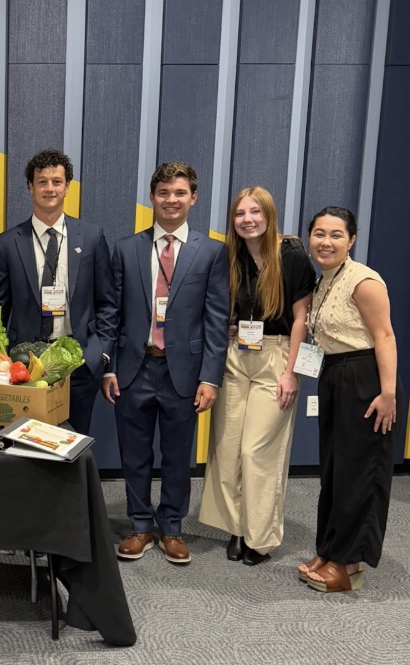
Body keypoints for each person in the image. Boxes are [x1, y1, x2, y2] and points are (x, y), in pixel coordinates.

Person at [103, 162, 229, 564]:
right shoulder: (126, 248)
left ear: (193, 197)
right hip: (132, 368)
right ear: (152, 197)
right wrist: (107, 366)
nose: (171, 200)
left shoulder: (212, 252)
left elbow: (215, 320)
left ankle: (171, 526)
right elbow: (111, 312)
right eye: (163, 193)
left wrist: (211, 377)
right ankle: (140, 525)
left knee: (178, 455)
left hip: (185, 374)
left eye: (179, 193)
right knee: (134, 452)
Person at [198, 188, 315, 565]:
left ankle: (260, 536)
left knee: (258, 451)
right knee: (228, 448)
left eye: (255, 212)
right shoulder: (230, 256)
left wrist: (292, 374)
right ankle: (236, 527)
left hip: (276, 357)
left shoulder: (292, 255)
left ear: (268, 215)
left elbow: (302, 319)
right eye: (240, 213)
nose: (247, 219)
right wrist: (231, 327)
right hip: (236, 359)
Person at [298, 206, 401, 593]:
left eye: (336, 235)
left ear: (352, 240)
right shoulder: (325, 278)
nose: (326, 242)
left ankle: (348, 564)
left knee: (360, 474)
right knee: (336, 471)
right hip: (335, 375)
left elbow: (386, 337)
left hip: (367, 379)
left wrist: (387, 393)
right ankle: (329, 550)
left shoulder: (364, 281)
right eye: (319, 234)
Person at [0, 148, 115, 436]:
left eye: (57, 181)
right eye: (42, 181)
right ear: (30, 187)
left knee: (76, 443)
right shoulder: (7, 244)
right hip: (26, 367)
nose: (49, 188)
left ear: (67, 187)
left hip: (80, 365)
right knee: (27, 446)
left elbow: (107, 303)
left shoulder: (92, 237)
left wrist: (100, 355)